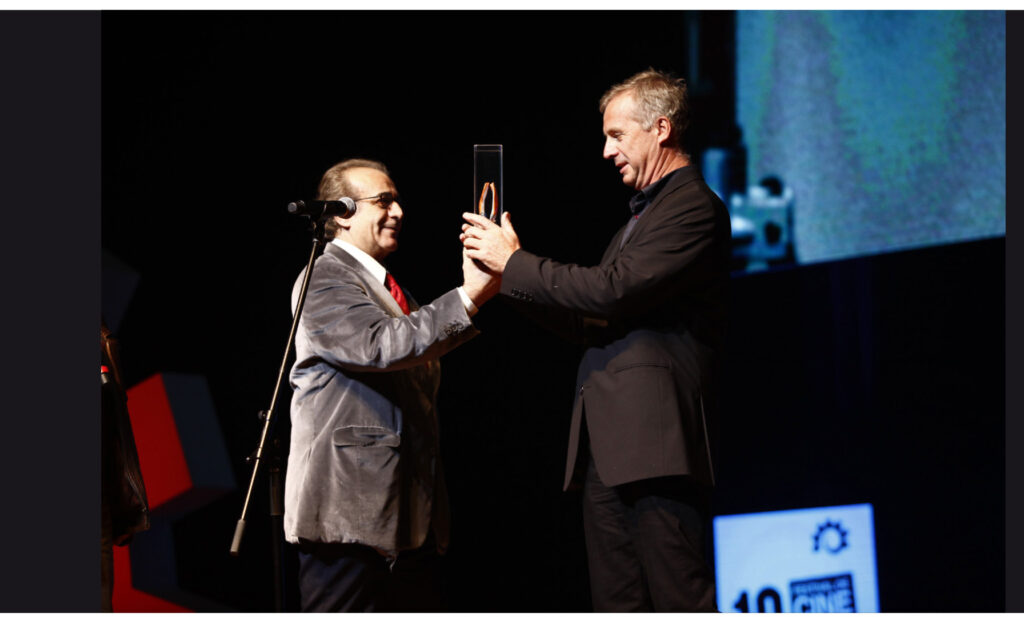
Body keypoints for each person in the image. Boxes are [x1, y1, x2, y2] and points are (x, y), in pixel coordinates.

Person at [461, 69, 731, 611]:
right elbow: (590, 321)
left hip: (655, 444)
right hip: (608, 447)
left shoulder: (693, 207)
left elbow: (610, 292)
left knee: (679, 595)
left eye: (616, 135)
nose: (606, 151)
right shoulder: (637, 221)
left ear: (661, 128)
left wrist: (515, 263)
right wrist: (505, 283)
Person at [284, 158, 499, 612]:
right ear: (341, 213)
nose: (398, 211)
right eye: (383, 200)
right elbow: (380, 345)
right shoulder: (325, 277)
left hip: (402, 519)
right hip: (348, 517)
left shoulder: (384, 288)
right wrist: (469, 295)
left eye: (397, 199)